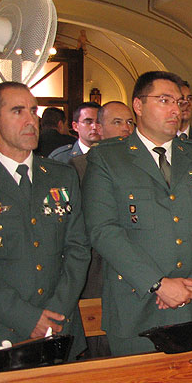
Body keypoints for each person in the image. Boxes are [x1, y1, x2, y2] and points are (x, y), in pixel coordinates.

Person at [82, 71, 192, 383]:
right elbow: (103, 231)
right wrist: (158, 282)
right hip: (138, 302)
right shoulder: (109, 158)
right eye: (164, 101)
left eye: (179, 102)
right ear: (138, 105)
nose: (176, 110)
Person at [0, 81, 89, 360]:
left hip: (60, 326)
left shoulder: (61, 175)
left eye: (33, 110)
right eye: (17, 111)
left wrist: (57, 310)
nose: (31, 120)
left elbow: (78, 249)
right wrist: (27, 317)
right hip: (4, 329)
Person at [71, 101, 136, 358]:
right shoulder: (79, 167)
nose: (125, 129)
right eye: (117, 122)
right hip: (98, 270)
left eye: (130, 122)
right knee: (101, 347)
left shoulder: (140, 164)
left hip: (135, 269)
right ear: (98, 127)